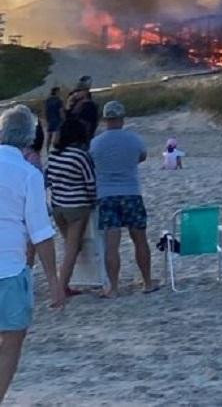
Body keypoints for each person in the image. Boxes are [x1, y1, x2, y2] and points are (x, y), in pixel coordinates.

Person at [0, 106, 64, 401]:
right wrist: (54, 281)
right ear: (29, 138)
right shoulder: (28, 174)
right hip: (10, 269)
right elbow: (40, 231)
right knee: (11, 341)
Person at [90, 101, 156, 297]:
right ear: (122, 118)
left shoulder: (96, 142)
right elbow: (142, 157)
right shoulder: (134, 139)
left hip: (107, 195)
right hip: (131, 191)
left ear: (105, 119)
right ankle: (147, 281)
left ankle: (114, 287)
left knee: (112, 243)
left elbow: (92, 161)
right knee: (140, 239)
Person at [44, 117, 96, 297]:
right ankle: (61, 287)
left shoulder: (53, 155)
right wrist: (93, 201)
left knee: (71, 245)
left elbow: (48, 180)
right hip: (77, 206)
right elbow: (90, 182)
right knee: (73, 248)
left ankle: (63, 283)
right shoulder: (80, 155)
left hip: (58, 206)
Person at [44, 86, 64, 152]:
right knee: (57, 135)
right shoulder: (59, 100)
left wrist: (46, 119)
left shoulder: (48, 100)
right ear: (56, 92)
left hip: (49, 119)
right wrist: (63, 118)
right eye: (59, 91)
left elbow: (46, 110)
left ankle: (47, 150)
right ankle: (56, 149)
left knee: (49, 136)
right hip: (57, 119)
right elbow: (60, 111)